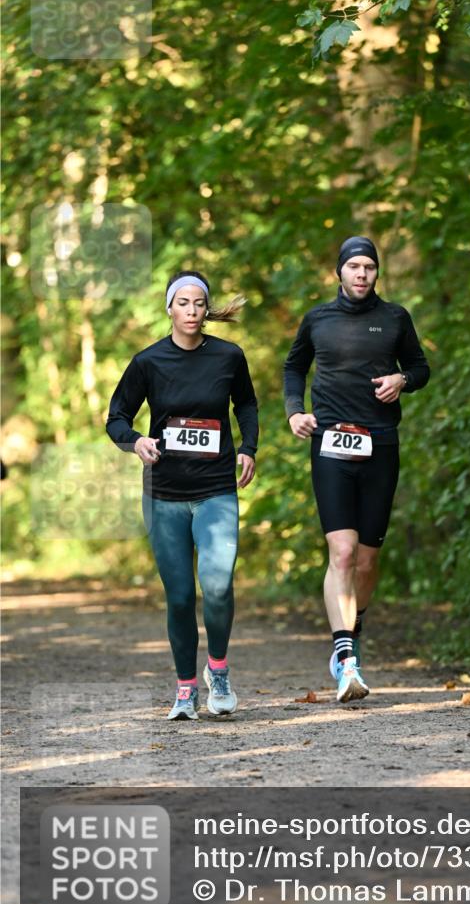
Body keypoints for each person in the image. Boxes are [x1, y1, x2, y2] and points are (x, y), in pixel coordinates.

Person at [106, 271, 258, 721]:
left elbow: (245, 404)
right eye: (183, 303)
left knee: (218, 585)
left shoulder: (229, 356)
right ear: (169, 308)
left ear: (207, 310)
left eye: (199, 304)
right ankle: (185, 690)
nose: (192, 311)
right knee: (178, 598)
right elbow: (116, 417)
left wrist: (248, 447)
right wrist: (136, 441)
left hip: (215, 490)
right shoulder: (148, 362)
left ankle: (219, 669)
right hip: (164, 493)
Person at [284, 236, 430, 703]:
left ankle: (352, 626)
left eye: (369, 267)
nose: (362, 274)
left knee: (367, 561)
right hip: (330, 444)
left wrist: (402, 379)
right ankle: (346, 658)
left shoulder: (394, 319)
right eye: (354, 267)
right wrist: (294, 411)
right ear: (339, 273)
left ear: (376, 273)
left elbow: (421, 367)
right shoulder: (318, 320)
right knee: (342, 553)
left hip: (380, 446)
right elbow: (294, 367)